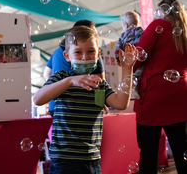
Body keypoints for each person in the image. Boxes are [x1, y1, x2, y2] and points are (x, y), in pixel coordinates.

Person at [34, 25, 136, 174]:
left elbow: (120, 103)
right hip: (63, 160)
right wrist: (69, 81)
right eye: (78, 52)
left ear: (98, 54)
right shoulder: (61, 78)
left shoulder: (99, 84)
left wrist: (127, 69)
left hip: (91, 160)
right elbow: (38, 99)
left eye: (91, 51)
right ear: (67, 56)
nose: (85, 57)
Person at [133, 0, 187, 174]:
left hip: (153, 99)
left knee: (148, 153)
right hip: (181, 98)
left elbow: (136, 59)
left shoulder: (158, 26)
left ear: (163, 10)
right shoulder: (185, 32)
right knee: (182, 152)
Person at [43, 20, 105, 116]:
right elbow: (100, 80)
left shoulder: (57, 52)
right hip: (81, 106)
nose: (84, 56)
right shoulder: (92, 53)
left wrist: (56, 89)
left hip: (56, 105)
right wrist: (100, 103)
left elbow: (46, 74)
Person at [115, 11, 144, 99]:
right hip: (139, 56)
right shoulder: (141, 30)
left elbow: (118, 48)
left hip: (128, 57)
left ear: (126, 25)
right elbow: (145, 41)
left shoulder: (123, 35)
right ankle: (138, 88)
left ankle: (133, 88)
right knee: (140, 72)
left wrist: (118, 59)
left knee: (131, 74)